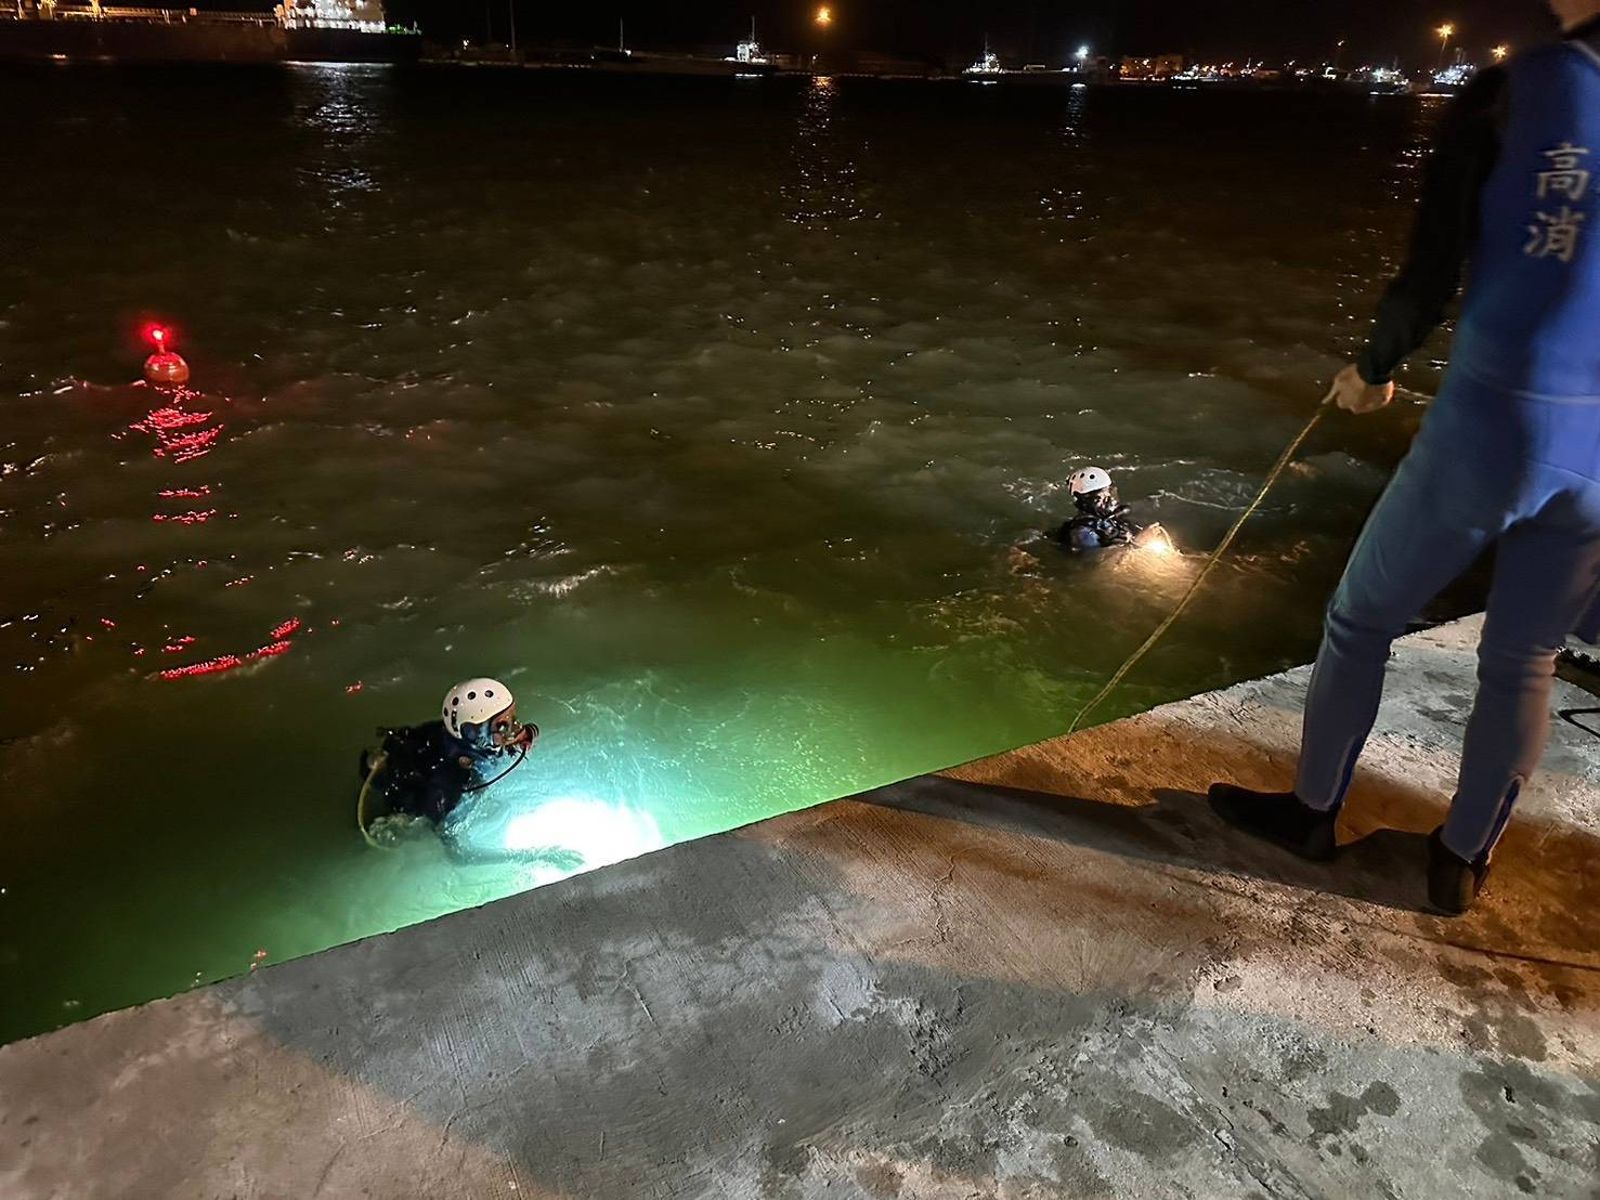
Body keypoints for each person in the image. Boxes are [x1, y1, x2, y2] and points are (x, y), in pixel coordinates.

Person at [1210, 3, 1600, 915]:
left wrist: (1374, 371)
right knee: (1527, 658)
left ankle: (1313, 813)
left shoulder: (1518, 93)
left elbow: (1433, 270)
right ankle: (1461, 860)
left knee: (1360, 616)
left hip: (1497, 419)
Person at [360, 677, 538, 827]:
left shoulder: (463, 738)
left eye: (513, 717)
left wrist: (523, 736)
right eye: (503, 724)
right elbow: (447, 838)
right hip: (415, 801)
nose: (515, 727)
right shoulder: (450, 782)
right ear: (472, 732)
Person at [1056, 466, 1144, 551]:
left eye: (1111, 494)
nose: (1111, 500)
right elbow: (1093, 562)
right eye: (1105, 496)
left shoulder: (1112, 519)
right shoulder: (1083, 533)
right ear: (1093, 500)